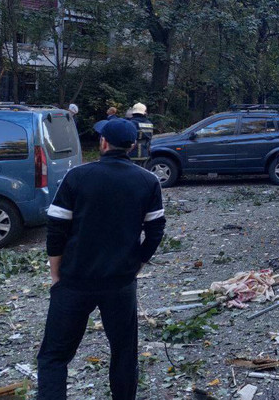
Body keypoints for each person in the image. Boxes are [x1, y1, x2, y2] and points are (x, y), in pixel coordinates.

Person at [37, 118, 166, 399]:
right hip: (120, 284)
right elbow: (156, 231)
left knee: (53, 357)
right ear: (132, 147)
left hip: (74, 281)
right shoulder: (148, 181)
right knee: (123, 353)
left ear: (103, 143)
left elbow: (56, 229)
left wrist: (56, 275)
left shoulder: (77, 177)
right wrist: (137, 264)